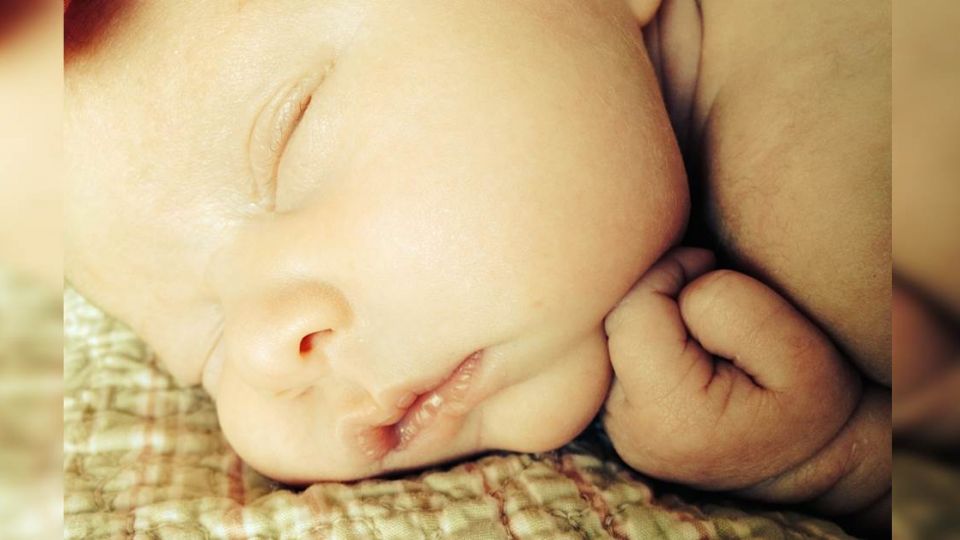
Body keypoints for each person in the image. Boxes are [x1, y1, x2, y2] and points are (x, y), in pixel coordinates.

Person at [64, 0, 890, 530]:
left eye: (289, 140)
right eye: (203, 349)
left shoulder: (834, 190)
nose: (265, 349)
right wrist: (833, 454)